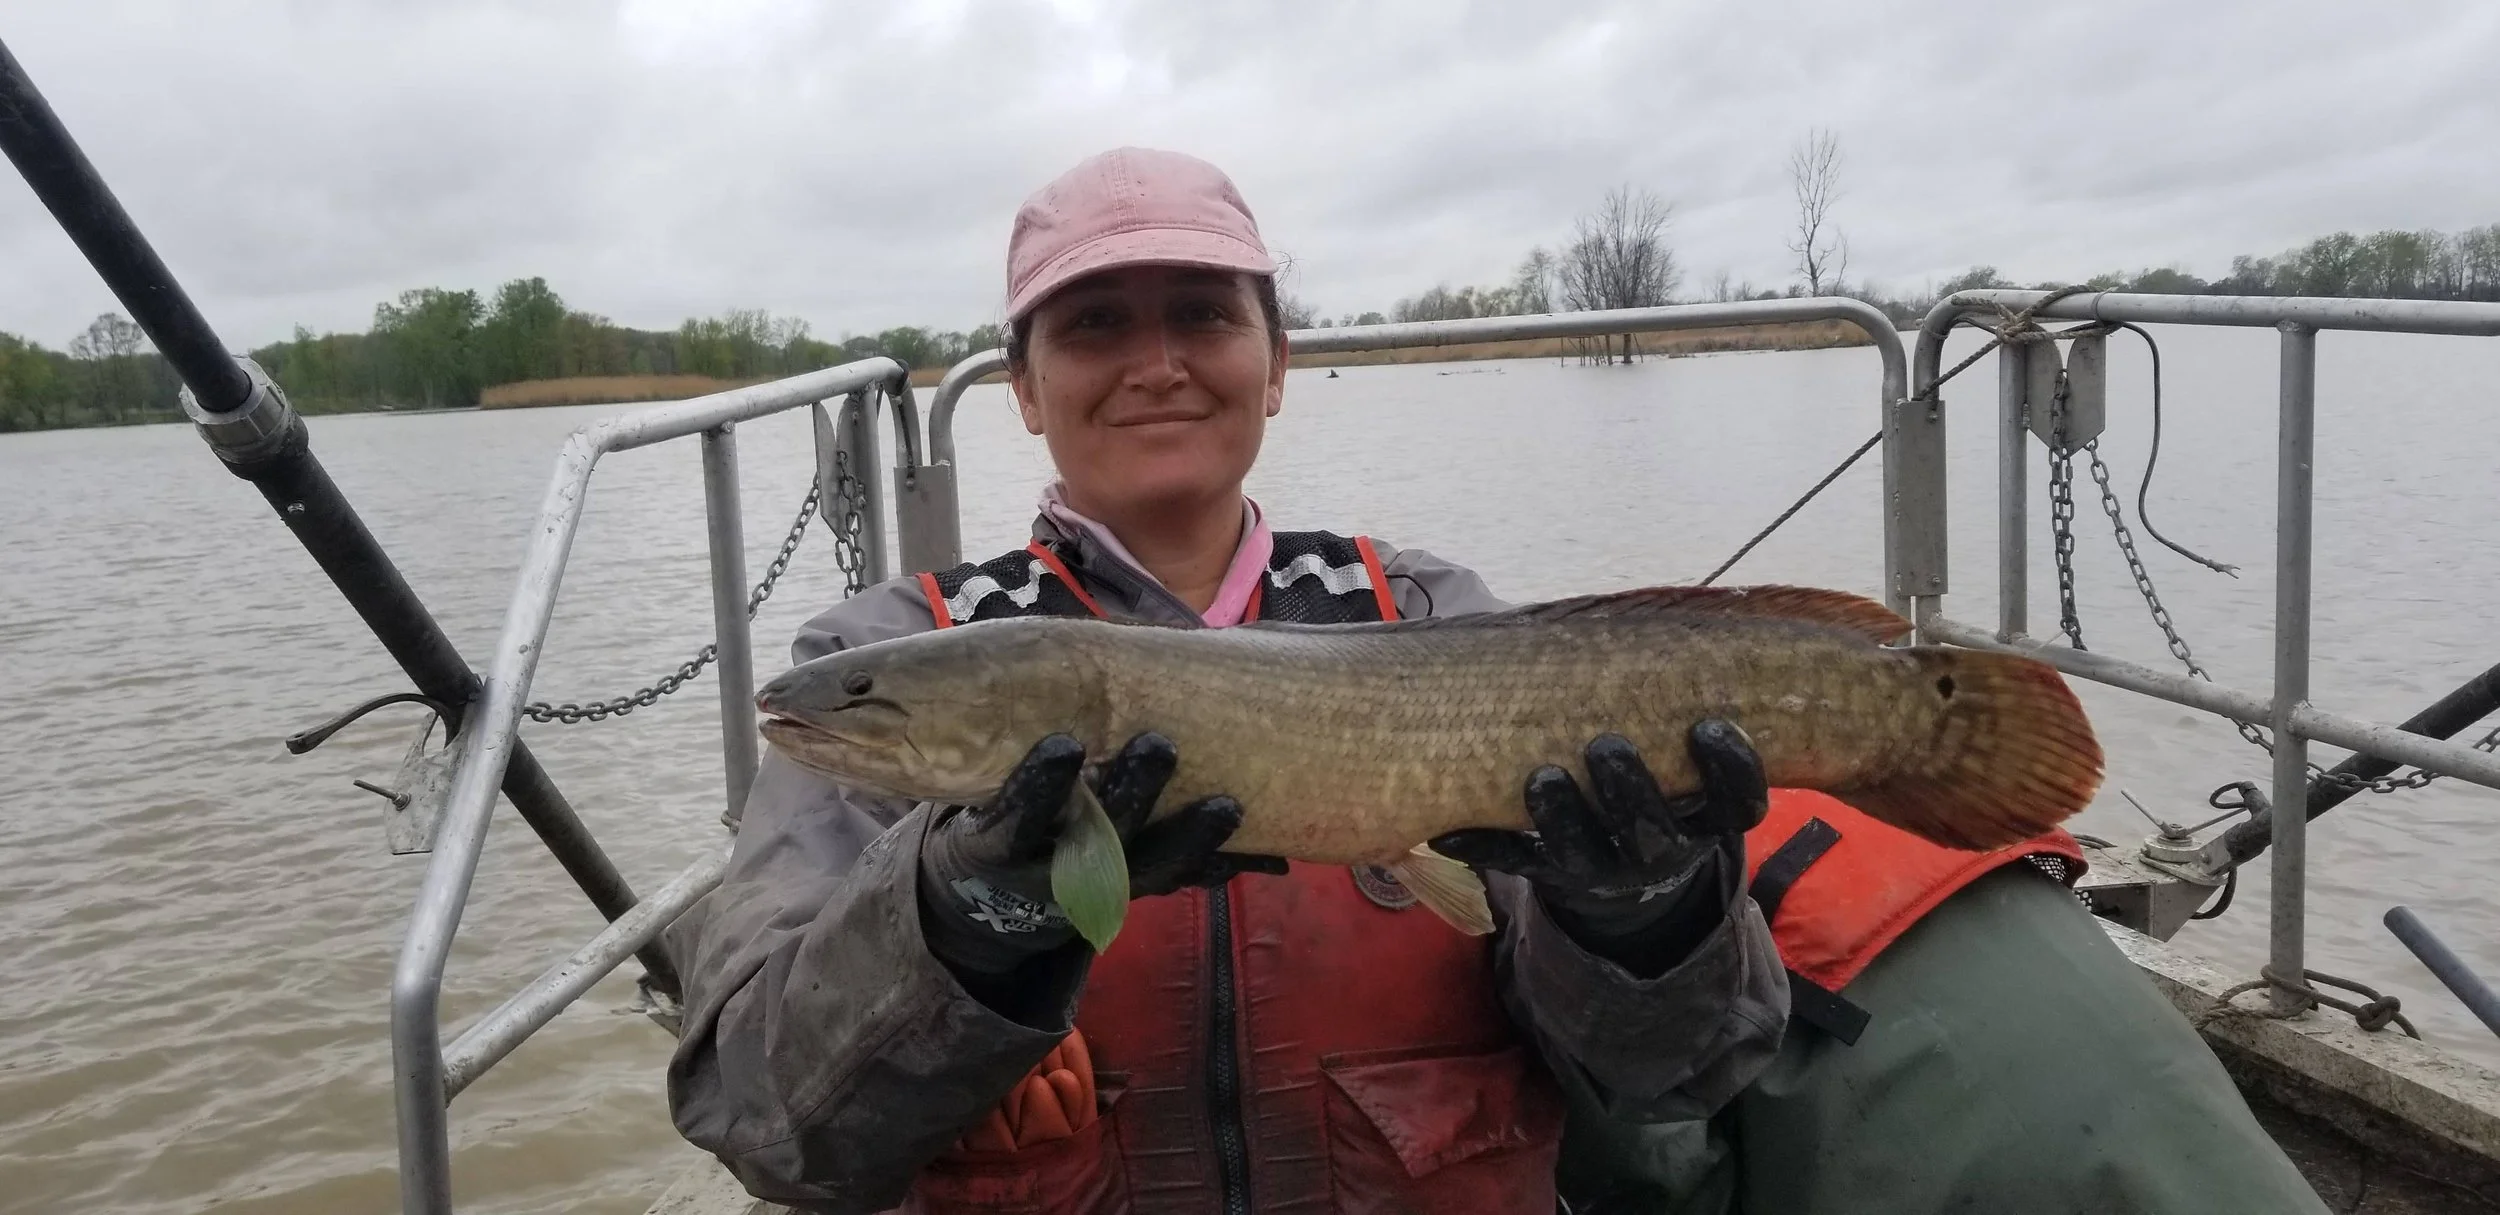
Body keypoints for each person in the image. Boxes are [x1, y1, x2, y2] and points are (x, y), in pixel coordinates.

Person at [666, 148, 2328, 1214]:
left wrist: (1649, 917)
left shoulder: (1430, 604)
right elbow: (767, 1119)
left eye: (1202, 312)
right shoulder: (869, 659)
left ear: (1274, 360)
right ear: (1021, 388)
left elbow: (1677, 1073)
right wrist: (969, 918)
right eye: (1094, 326)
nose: (1157, 357)